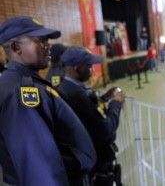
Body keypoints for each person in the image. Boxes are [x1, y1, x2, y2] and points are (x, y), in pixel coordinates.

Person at [0, 15, 96, 185]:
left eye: (48, 40)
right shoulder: (21, 91)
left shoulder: (26, 82)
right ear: (16, 47)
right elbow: (39, 165)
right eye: (41, 40)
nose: (48, 46)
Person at [58, 46, 125, 186]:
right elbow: (106, 129)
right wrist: (116, 104)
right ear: (77, 69)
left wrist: (103, 98)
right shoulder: (79, 96)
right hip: (97, 164)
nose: (92, 69)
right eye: (89, 66)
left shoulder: (64, 88)